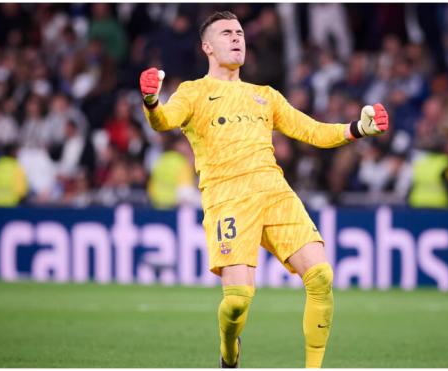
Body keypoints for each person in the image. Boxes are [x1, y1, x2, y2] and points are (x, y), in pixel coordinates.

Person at [139, 11, 389, 368]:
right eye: (226, 33)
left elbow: (313, 131)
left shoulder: (264, 96)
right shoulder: (193, 92)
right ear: (207, 47)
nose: (237, 37)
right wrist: (151, 102)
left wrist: (356, 129)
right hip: (227, 197)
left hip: (274, 192)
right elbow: (163, 121)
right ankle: (229, 348)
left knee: (320, 276)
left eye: (239, 32)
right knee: (238, 300)